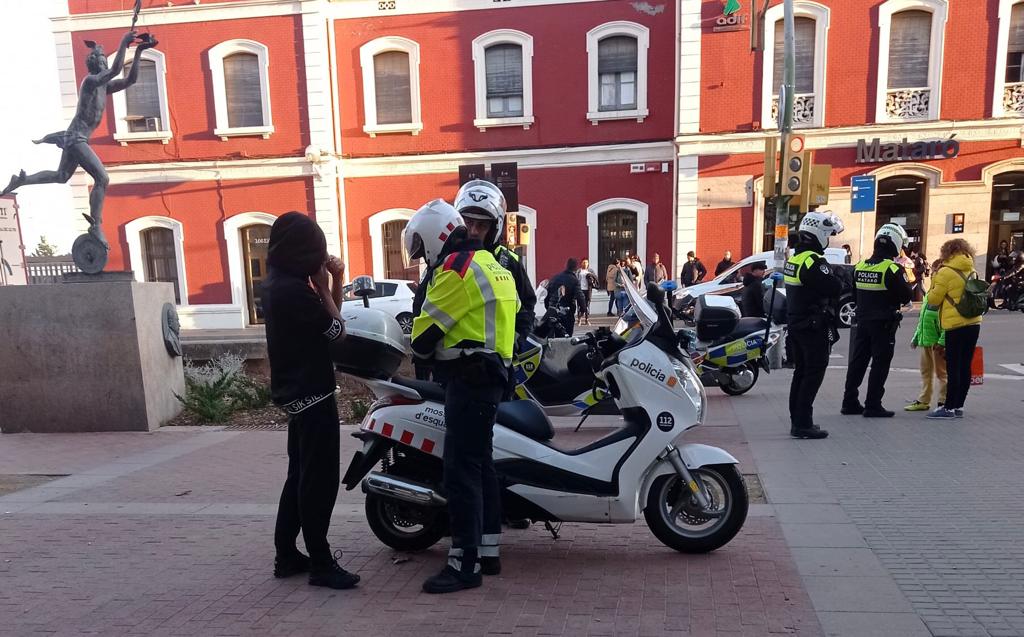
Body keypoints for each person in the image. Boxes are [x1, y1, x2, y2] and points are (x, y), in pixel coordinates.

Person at [407, 200, 519, 594]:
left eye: (422, 250)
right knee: (481, 466)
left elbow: (421, 342)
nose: (425, 260)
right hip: (492, 378)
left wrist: (426, 347)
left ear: (435, 240)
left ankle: (464, 564)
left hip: (469, 381)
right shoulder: (494, 265)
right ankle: (488, 553)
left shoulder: (457, 271)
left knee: (459, 471)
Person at [263, 212, 359, 590]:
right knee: (318, 482)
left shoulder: (275, 283)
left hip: (296, 396)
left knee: (299, 476)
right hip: (313, 395)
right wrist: (325, 284)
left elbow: (326, 325)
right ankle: (320, 561)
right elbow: (337, 332)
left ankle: (286, 554)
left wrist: (330, 283)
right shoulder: (294, 291)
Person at [0, 30, 160, 249]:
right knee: (102, 179)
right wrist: (124, 42)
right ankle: (96, 225)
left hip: (74, 137)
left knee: (61, 176)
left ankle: (22, 180)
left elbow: (131, 79)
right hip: (77, 138)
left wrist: (140, 50)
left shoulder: (104, 87)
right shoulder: (90, 82)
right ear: (95, 63)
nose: (105, 63)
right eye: (102, 60)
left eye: (105, 59)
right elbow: (115, 70)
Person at [840, 224, 914, 418]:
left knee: (858, 362)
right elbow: (907, 295)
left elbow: (854, 296)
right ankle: (873, 404)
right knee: (880, 364)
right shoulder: (891, 268)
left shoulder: (860, 266)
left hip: (862, 322)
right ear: (896, 244)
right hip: (883, 324)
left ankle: (849, 401)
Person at [784, 210, 845, 439]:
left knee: (801, 373)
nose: (828, 240)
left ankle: (797, 420)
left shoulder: (796, 259)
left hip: (798, 325)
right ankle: (803, 424)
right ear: (818, 234)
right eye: (827, 235)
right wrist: (837, 275)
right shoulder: (812, 261)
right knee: (813, 374)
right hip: (812, 326)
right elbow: (833, 288)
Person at [453, 180, 536, 346]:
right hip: (454, 360)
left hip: (498, 361)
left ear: (494, 228)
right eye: (468, 223)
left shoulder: (509, 262)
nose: (474, 231)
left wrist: (517, 339)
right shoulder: (447, 260)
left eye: (482, 225)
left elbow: (527, 307)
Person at [925, 239, 984, 419]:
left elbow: (933, 300)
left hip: (955, 325)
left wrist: (934, 279)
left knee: (953, 366)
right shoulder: (971, 269)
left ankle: (948, 407)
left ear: (947, 252)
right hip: (974, 322)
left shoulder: (945, 272)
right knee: (965, 365)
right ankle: (959, 406)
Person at [905, 265, 947, 412]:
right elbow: (923, 320)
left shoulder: (945, 295)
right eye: (933, 271)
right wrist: (916, 338)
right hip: (926, 341)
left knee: (942, 374)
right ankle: (924, 400)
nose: (932, 274)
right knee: (926, 372)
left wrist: (942, 342)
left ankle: (943, 402)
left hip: (937, 344)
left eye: (936, 271)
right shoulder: (930, 294)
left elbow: (948, 323)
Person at [547, 258, 587, 336]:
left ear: (566, 266)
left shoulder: (556, 277)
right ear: (575, 268)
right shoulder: (574, 280)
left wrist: (548, 308)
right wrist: (583, 309)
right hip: (568, 312)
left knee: (555, 335)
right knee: (567, 336)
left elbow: (548, 293)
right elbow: (580, 296)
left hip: (554, 311)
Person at [576, 258, 597, 325]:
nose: (585, 264)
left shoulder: (590, 271)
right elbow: (576, 280)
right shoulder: (579, 271)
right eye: (583, 262)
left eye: (586, 262)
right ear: (581, 263)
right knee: (580, 305)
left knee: (587, 304)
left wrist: (592, 280)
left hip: (588, 290)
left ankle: (586, 319)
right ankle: (579, 319)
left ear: (588, 263)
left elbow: (595, 278)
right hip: (580, 290)